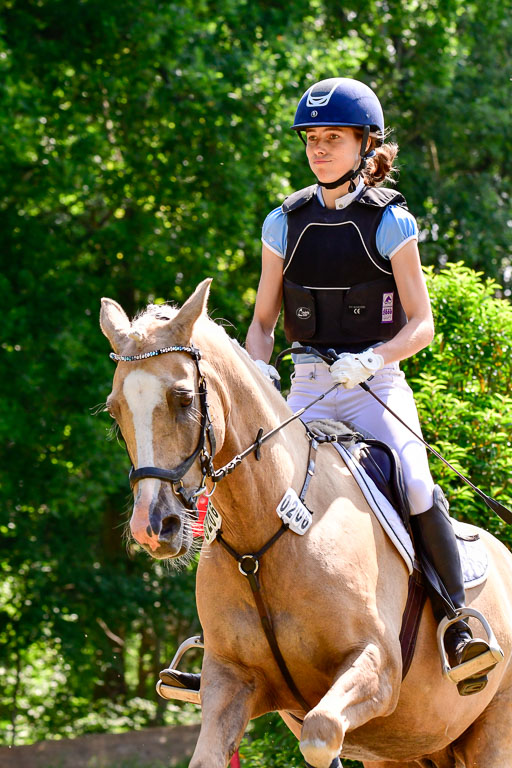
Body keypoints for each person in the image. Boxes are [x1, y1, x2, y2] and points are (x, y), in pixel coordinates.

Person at [245, 77, 495, 694]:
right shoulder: (284, 222)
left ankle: (458, 622)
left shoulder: (389, 221)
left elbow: (422, 323)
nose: (318, 149)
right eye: (311, 139)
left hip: (374, 385)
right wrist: (258, 368)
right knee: (250, 479)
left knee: (416, 481)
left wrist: (372, 359)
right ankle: (223, 631)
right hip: (307, 387)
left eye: (332, 138)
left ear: (364, 144)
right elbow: (262, 323)